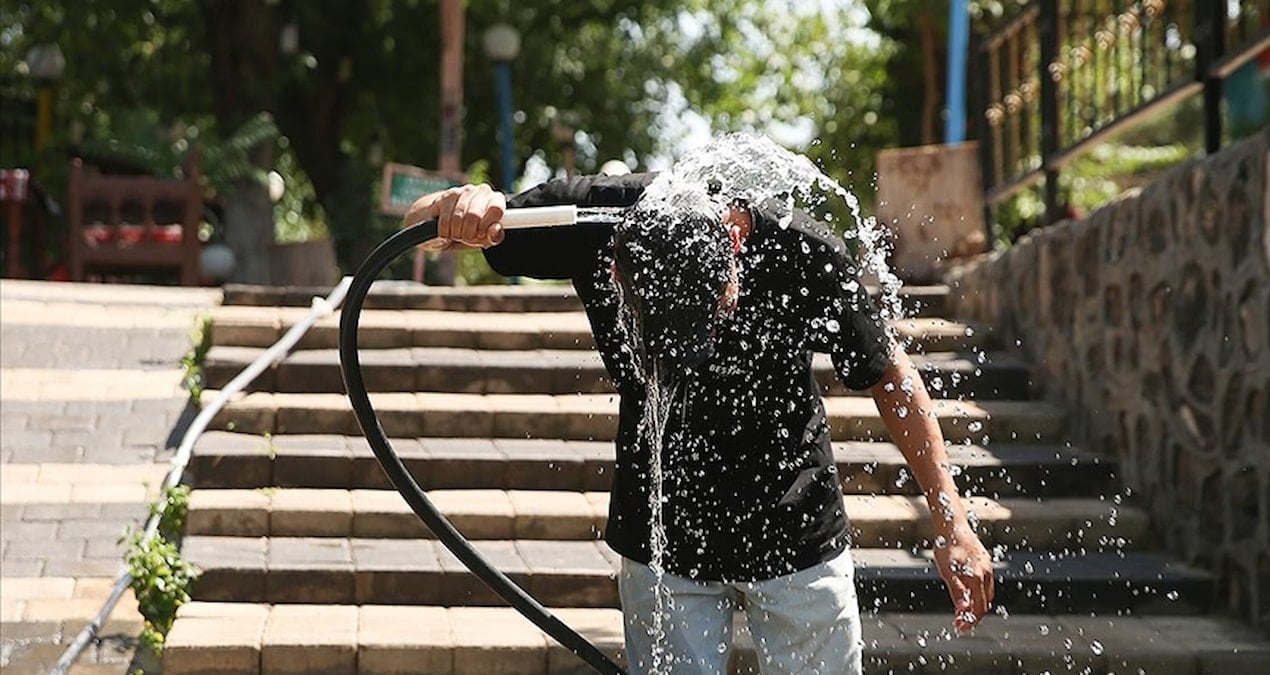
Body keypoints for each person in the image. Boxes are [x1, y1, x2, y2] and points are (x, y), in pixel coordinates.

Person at [405, 175, 995, 675]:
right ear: (615, 266)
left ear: (735, 245)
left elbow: (890, 377)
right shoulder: (590, 219)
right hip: (662, 536)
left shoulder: (803, 250)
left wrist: (952, 522)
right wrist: (457, 205)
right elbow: (418, 225)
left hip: (795, 530)